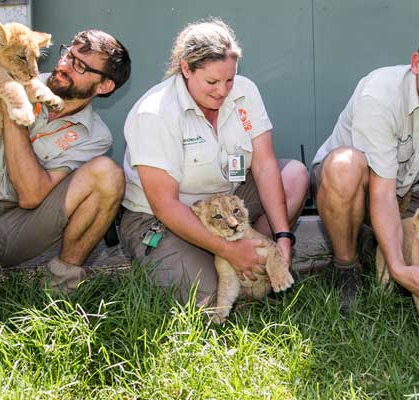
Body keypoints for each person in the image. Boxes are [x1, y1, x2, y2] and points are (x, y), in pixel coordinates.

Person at [0, 29, 131, 307]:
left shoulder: (95, 135)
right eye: (67, 54)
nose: (62, 65)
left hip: (24, 223)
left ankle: (62, 283)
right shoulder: (7, 71)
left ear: (104, 86)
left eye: (80, 65)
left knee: (108, 175)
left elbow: (31, 196)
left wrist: (11, 103)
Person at [120, 18, 309, 304]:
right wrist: (229, 250)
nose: (222, 90)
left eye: (229, 79)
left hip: (228, 200)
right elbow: (165, 205)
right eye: (212, 81)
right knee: (207, 298)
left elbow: (264, 165)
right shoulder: (154, 113)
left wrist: (283, 236)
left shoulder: (246, 91)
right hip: (164, 217)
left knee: (293, 175)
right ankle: (219, 257)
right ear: (186, 68)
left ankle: (254, 256)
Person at [311, 18, 419, 311]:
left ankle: (372, 244)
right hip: (355, 186)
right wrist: (398, 269)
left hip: (408, 192)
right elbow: (381, 192)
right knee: (345, 167)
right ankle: (346, 269)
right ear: (417, 63)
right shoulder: (380, 94)